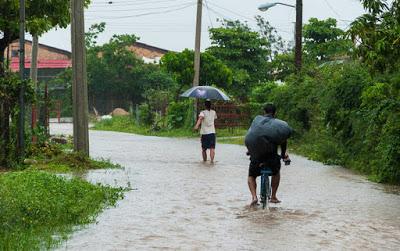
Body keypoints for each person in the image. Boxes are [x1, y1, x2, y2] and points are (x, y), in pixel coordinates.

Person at [246, 103, 291, 206]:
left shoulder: (256, 122)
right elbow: (283, 141)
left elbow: (251, 136)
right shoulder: (278, 126)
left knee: (251, 175)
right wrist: (283, 155)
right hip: (271, 158)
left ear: (264, 112)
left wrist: (250, 150)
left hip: (256, 157)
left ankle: (254, 197)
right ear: (275, 113)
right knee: (276, 172)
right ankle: (274, 196)